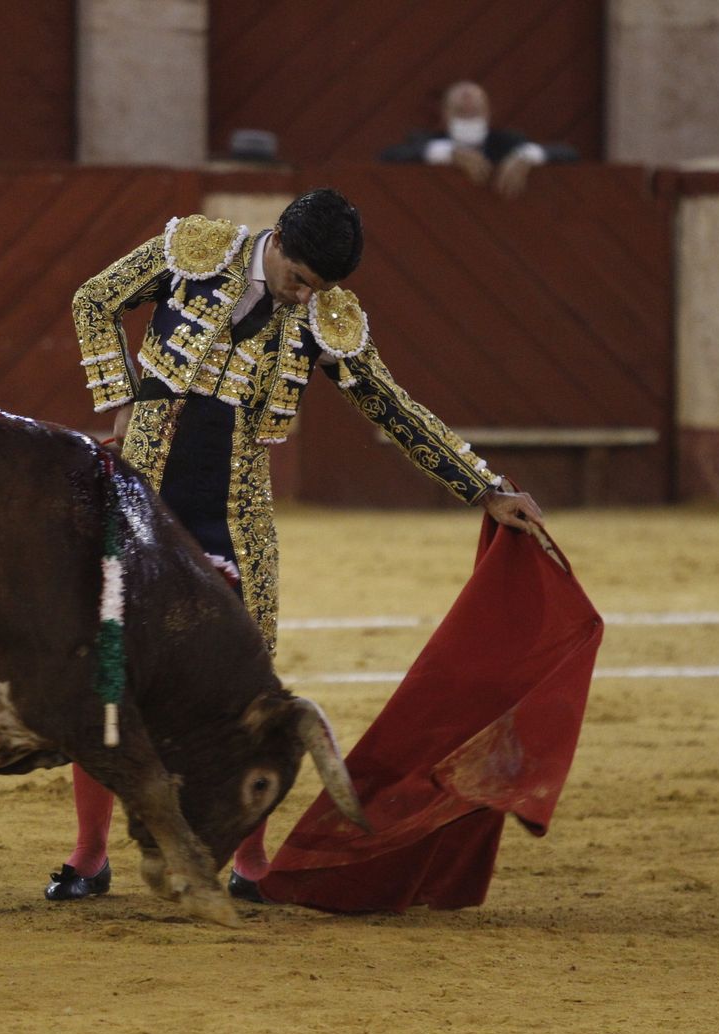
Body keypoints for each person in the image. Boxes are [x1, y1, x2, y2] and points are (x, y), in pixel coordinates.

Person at [47, 187, 544, 904]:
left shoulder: (323, 319)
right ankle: (90, 854)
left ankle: (252, 864)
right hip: (141, 497)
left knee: (248, 696)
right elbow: (93, 300)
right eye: (300, 277)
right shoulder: (193, 253)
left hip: (235, 519)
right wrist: (119, 395)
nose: (304, 294)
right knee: (108, 671)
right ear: (276, 238)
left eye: (320, 286)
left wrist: (484, 484)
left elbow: (390, 402)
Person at [380, 81, 579, 198]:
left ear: (488, 113)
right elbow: (389, 155)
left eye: (474, 110)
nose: (468, 109)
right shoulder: (425, 141)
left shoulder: (507, 142)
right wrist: (450, 154)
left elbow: (569, 153)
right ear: (445, 115)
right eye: (460, 111)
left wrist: (526, 156)